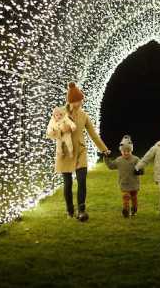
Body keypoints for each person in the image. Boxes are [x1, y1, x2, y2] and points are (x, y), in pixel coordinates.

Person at [46, 82, 110, 221]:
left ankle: (81, 211)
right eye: (77, 101)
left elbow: (93, 134)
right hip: (65, 152)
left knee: (82, 181)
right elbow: (50, 132)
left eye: (81, 100)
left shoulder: (84, 115)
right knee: (67, 183)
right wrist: (60, 130)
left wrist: (104, 149)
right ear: (70, 101)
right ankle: (70, 210)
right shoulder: (59, 113)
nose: (80, 103)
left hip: (81, 151)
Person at [104, 135, 143, 218]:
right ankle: (125, 210)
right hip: (124, 183)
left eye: (128, 151)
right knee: (125, 197)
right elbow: (111, 166)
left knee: (134, 197)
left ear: (131, 150)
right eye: (124, 151)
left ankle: (134, 209)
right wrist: (106, 158)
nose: (126, 153)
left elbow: (141, 166)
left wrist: (140, 169)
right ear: (121, 151)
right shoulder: (119, 160)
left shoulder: (135, 159)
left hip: (134, 183)